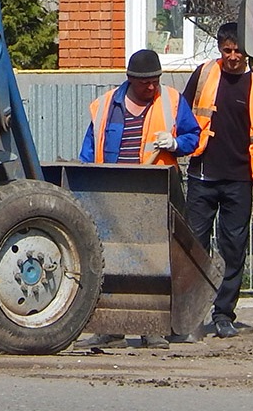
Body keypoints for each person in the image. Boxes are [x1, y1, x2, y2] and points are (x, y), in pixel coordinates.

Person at [79, 48, 201, 349]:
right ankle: (110, 328)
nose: (152, 87)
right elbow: (88, 150)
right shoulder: (106, 106)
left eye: (156, 81)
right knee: (108, 259)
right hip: (112, 193)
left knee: (155, 261)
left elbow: (193, 136)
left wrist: (175, 143)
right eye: (146, 82)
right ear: (130, 79)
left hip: (156, 193)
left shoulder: (172, 101)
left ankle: (152, 328)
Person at [183, 22, 253, 339]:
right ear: (219, 49)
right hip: (202, 176)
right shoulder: (203, 75)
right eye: (228, 50)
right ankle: (188, 316)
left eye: (239, 50)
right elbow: (182, 117)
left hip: (240, 179)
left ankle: (224, 313)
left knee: (234, 249)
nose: (233, 57)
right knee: (193, 248)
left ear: (247, 52)